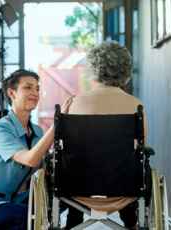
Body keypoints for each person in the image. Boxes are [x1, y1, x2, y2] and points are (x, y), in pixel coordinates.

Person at [0, 69, 73, 229]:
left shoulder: (37, 131)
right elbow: (30, 159)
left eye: (37, 88)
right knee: (27, 218)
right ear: (12, 93)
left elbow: (44, 166)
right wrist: (57, 124)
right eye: (28, 87)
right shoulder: (1, 129)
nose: (35, 92)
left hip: (10, 200)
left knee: (64, 199)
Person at [66, 41, 147, 230]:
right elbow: (141, 147)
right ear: (125, 70)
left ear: (93, 68)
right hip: (123, 186)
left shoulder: (75, 103)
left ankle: (72, 221)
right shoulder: (136, 106)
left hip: (77, 187)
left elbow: (68, 147)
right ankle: (132, 222)